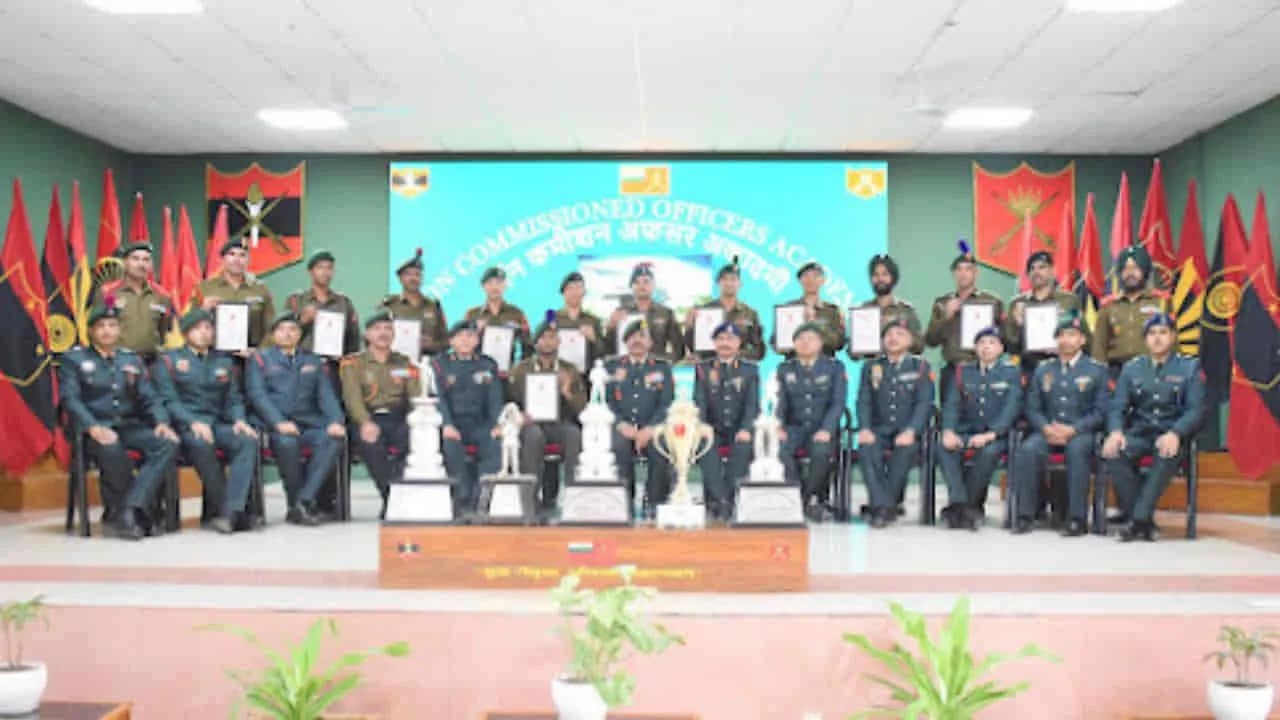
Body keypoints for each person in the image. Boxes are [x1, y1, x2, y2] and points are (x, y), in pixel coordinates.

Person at [59, 298, 179, 540]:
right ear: (91, 331)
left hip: (127, 425)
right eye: (101, 326)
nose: (107, 331)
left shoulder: (130, 359)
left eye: (112, 325)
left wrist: (161, 423)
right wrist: (92, 426)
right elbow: (70, 399)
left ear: (119, 329)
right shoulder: (74, 359)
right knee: (112, 448)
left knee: (167, 443)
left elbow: (150, 397)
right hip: (92, 429)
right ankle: (135, 513)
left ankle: (129, 509)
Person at [151, 309, 259, 534]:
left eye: (208, 328)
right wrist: (192, 422)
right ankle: (227, 510)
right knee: (201, 443)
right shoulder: (169, 360)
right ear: (186, 333)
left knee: (247, 440)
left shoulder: (223, 361)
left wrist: (239, 419)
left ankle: (232, 510)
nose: (204, 333)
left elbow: (233, 398)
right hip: (186, 426)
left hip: (217, 424)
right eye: (197, 328)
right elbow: (168, 401)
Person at [1102, 313, 1207, 542]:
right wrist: (1116, 432)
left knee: (1166, 452)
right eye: (1152, 333)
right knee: (1114, 451)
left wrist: (1176, 433)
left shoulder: (1189, 367)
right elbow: (1117, 406)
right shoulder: (1132, 368)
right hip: (1140, 433)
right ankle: (1143, 521)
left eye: (1163, 333)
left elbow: (1196, 410)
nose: (1157, 338)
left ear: (1173, 336)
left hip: (1171, 434)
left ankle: (1137, 521)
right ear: (1145, 339)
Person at [1012, 310, 1109, 537]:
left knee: (1077, 451)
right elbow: (1032, 407)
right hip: (1047, 431)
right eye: (1061, 335)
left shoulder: (1096, 370)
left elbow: (1101, 411)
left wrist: (1074, 429)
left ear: (1082, 340)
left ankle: (1076, 519)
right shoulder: (1044, 369)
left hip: (1080, 432)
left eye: (1072, 335)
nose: (1066, 340)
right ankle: (1025, 516)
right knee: (1027, 450)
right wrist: (1045, 427)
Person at [246, 312, 347, 525]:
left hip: (309, 424)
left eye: (292, 329)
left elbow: (326, 395)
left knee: (333, 439)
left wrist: (336, 421)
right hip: (275, 426)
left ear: (300, 334)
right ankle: (297, 504)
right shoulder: (260, 359)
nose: (287, 334)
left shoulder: (312, 360)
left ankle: (303, 501)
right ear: (273, 335)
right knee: (287, 443)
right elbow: (257, 395)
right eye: (281, 329)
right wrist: (278, 422)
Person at [934, 326, 1022, 530]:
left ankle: (964, 507)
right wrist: (948, 431)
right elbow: (951, 405)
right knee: (944, 447)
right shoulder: (963, 372)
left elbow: (1012, 408)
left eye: (992, 343)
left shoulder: (1011, 373)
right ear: (975, 348)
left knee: (988, 452)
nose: (986, 347)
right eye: (981, 343)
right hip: (966, 431)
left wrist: (991, 434)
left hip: (995, 435)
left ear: (1001, 348)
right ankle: (961, 503)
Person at [340, 310, 421, 517]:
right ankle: (391, 498)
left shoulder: (405, 363)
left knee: (415, 439)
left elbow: (415, 396)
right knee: (372, 445)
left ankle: (396, 497)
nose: (383, 333)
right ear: (367, 334)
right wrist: (365, 422)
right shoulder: (353, 363)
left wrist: (416, 421)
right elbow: (352, 398)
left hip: (398, 418)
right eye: (377, 329)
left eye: (388, 329)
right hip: (368, 417)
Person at [508, 312, 587, 520]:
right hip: (531, 423)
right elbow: (509, 402)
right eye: (543, 337)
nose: (548, 342)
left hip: (559, 422)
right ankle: (530, 500)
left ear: (559, 341)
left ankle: (573, 498)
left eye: (552, 337)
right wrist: (520, 416)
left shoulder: (570, 370)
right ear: (535, 342)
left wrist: (567, 391)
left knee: (574, 435)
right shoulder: (520, 370)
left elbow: (582, 409)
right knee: (533, 436)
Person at [854, 319, 933, 528]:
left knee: (904, 450)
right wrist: (865, 428)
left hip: (908, 430)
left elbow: (924, 403)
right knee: (866, 448)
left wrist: (912, 430)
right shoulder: (871, 366)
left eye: (899, 334)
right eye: (888, 334)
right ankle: (886, 506)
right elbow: (864, 400)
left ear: (910, 341)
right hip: (879, 430)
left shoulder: (920, 366)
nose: (893, 338)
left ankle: (880, 506)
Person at [777, 322, 849, 522]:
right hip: (794, 428)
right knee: (778, 447)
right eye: (800, 339)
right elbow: (780, 402)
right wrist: (779, 426)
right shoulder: (785, 369)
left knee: (821, 451)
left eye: (811, 339)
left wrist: (827, 429)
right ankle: (799, 497)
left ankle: (806, 498)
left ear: (821, 343)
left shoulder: (834, 367)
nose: (805, 342)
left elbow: (838, 403)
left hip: (822, 427)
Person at [434, 320, 504, 518]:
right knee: (450, 445)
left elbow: (494, 397)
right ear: (451, 341)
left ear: (477, 340)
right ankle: (462, 498)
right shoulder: (440, 365)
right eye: (460, 336)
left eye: (470, 336)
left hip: (480, 423)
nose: (465, 340)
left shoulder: (487, 364)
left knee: (496, 442)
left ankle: (483, 496)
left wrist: (497, 423)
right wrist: (447, 424)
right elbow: (439, 398)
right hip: (453, 423)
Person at [606, 318, 675, 518]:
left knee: (661, 445)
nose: (637, 341)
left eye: (642, 337)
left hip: (652, 427)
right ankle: (624, 501)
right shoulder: (612, 367)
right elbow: (606, 402)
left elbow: (666, 404)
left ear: (651, 342)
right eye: (632, 337)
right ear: (625, 341)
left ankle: (654, 501)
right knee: (618, 446)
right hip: (622, 427)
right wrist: (621, 424)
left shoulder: (662, 368)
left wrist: (650, 428)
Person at [693, 321, 760, 522]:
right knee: (704, 445)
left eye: (730, 339)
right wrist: (702, 426)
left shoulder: (750, 370)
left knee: (743, 446)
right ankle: (724, 501)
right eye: (720, 339)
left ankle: (724, 500)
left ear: (738, 343)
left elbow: (752, 406)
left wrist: (746, 428)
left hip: (739, 429)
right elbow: (699, 402)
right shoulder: (703, 369)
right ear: (714, 343)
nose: (725, 343)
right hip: (712, 429)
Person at [925, 241, 1003, 402]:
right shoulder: (942, 303)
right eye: (959, 269)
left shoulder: (991, 302)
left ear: (976, 273)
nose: (963, 274)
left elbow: (1005, 340)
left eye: (968, 269)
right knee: (950, 414)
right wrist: (945, 317)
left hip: (983, 369)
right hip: (952, 371)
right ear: (953, 273)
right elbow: (930, 340)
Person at [1093, 245, 1169, 379]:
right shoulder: (1108, 305)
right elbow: (1099, 347)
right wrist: (1101, 378)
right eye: (1126, 269)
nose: (1130, 273)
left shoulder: (1161, 302)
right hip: (1117, 373)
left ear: (1145, 271)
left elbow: (1171, 342)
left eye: (1135, 268)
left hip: (1153, 371)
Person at [1002, 250, 1079, 383]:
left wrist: (1064, 328)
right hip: (1029, 370)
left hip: (1062, 367)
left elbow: (1082, 336)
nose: (1036, 272)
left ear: (1053, 271)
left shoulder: (1069, 300)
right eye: (1032, 268)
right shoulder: (1017, 303)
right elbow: (1010, 346)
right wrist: (1017, 324)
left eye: (1042, 267)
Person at [94, 241, 175, 361]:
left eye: (146, 260)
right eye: (135, 259)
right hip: (117, 361)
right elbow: (96, 328)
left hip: (152, 362)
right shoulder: (107, 292)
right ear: (125, 263)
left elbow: (164, 329)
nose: (141, 264)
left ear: (151, 265)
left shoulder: (162, 295)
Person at [195, 237, 276, 349]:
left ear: (248, 260)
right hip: (213, 353)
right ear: (223, 259)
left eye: (242, 255)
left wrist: (259, 352)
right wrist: (203, 310)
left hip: (251, 353)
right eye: (232, 254)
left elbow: (271, 327)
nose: (237, 260)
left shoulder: (260, 289)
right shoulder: (205, 288)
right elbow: (188, 326)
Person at [684, 257, 764, 361]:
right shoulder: (704, 311)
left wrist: (736, 354)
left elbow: (758, 351)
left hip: (740, 367)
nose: (729, 283)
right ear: (718, 283)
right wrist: (689, 326)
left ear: (740, 284)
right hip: (710, 366)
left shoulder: (750, 314)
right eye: (725, 279)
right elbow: (692, 347)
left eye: (733, 279)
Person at [283, 250, 360, 358]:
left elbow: (353, 341)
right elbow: (282, 337)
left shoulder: (344, 303)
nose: (325, 272)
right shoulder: (296, 300)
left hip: (335, 363)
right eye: (320, 268)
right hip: (302, 362)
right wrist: (302, 321)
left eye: (329, 268)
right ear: (311, 271)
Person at [848, 254, 922, 360]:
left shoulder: (906, 310)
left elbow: (919, 346)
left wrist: (899, 336)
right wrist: (856, 345)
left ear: (893, 277)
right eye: (875, 275)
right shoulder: (864, 311)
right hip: (873, 367)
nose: (880, 279)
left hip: (901, 367)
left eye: (885, 274)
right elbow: (853, 355)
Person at [606, 263, 683, 364]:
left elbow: (679, 349)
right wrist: (611, 327)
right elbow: (608, 350)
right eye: (637, 282)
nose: (641, 286)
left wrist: (664, 364)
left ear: (653, 285)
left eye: (646, 282)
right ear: (631, 287)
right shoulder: (620, 313)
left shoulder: (666, 313)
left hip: (656, 369)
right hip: (627, 368)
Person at [380, 248, 448, 357]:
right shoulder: (389, 305)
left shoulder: (433, 306)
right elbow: (374, 337)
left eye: (417, 274)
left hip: (426, 363)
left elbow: (446, 342)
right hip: (395, 362)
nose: (413, 278)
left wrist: (431, 345)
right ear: (400, 278)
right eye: (408, 274)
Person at [464, 266, 531, 373]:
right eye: (490, 283)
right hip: (478, 371)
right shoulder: (472, 314)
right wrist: (476, 331)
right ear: (483, 286)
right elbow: (463, 344)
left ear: (505, 285)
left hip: (508, 372)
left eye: (499, 282)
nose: (494, 287)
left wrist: (519, 369)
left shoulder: (516, 313)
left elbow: (528, 345)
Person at [775, 261, 845, 356]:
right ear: (800, 280)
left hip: (825, 362)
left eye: (816, 276)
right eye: (806, 276)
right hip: (795, 362)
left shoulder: (832, 311)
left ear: (823, 280)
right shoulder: (788, 309)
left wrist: (815, 325)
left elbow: (839, 343)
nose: (811, 280)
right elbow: (776, 343)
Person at [554, 271, 608, 371]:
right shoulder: (552, 318)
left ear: (584, 292)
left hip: (585, 376)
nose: (575, 292)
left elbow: (603, 353)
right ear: (563, 293)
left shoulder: (593, 320)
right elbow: (537, 345)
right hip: (559, 374)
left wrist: (594, 338)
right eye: (570, 288)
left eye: (579, 288)